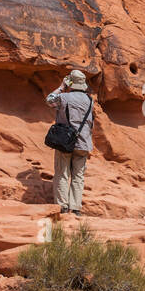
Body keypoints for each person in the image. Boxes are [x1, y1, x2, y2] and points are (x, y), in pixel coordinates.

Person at [45, 69, 94, 215]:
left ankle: (62, 207)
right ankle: (76, 208)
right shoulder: (89, 100)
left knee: (62, 173)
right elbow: (91, 122)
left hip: (65, 141)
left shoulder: (64, 97)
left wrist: (61, 86)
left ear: (71, 82)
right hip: (84, 142)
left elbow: (49, 100)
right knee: (78, 176)